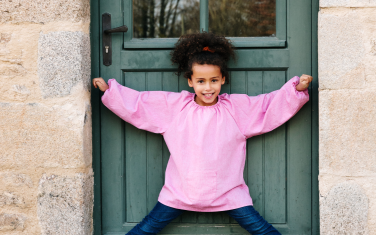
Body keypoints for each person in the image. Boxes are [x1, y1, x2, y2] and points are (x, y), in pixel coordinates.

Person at [93, 32, 313, 235]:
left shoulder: (236, 109)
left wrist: (296, 90)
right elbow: (141, 105)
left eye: (214, 80)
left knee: (262, 229)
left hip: (229, 193)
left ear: (223, 79)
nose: (208, 87)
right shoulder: (175, 107)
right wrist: (110, 92)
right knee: (147, 228)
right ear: (190, 81)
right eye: (201, 81)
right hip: (180, 193)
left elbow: (267, 107)